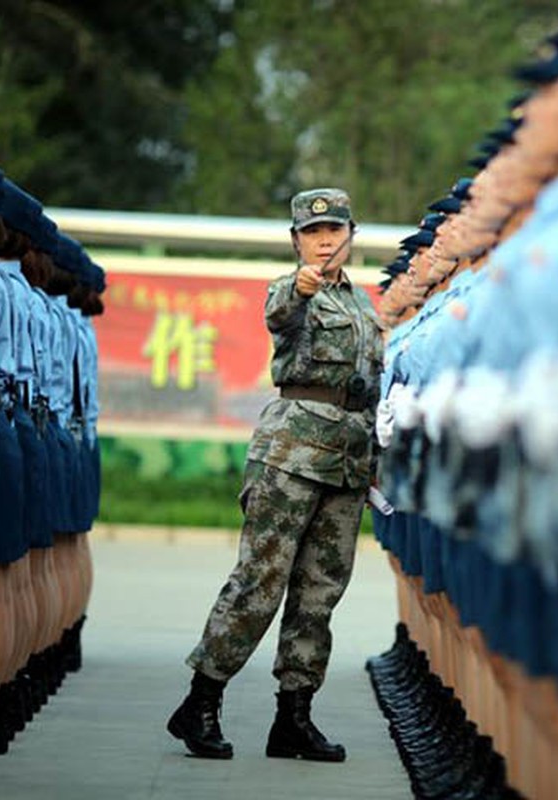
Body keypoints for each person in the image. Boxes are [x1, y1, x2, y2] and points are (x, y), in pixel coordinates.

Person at [167, 188, 384, 762]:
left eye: (334, 230)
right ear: (295, 242)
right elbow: (280, 312)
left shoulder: (364, 307)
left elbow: (369, 392)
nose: (324, 241)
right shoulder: (294, 291)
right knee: (260, 583)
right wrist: (300, 285)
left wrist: (374, 463)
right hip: (291, 456)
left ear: (350, 234)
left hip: (346, 463)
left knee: (319, 594)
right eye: (312, 234)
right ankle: (201, 699)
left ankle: (293, 717)